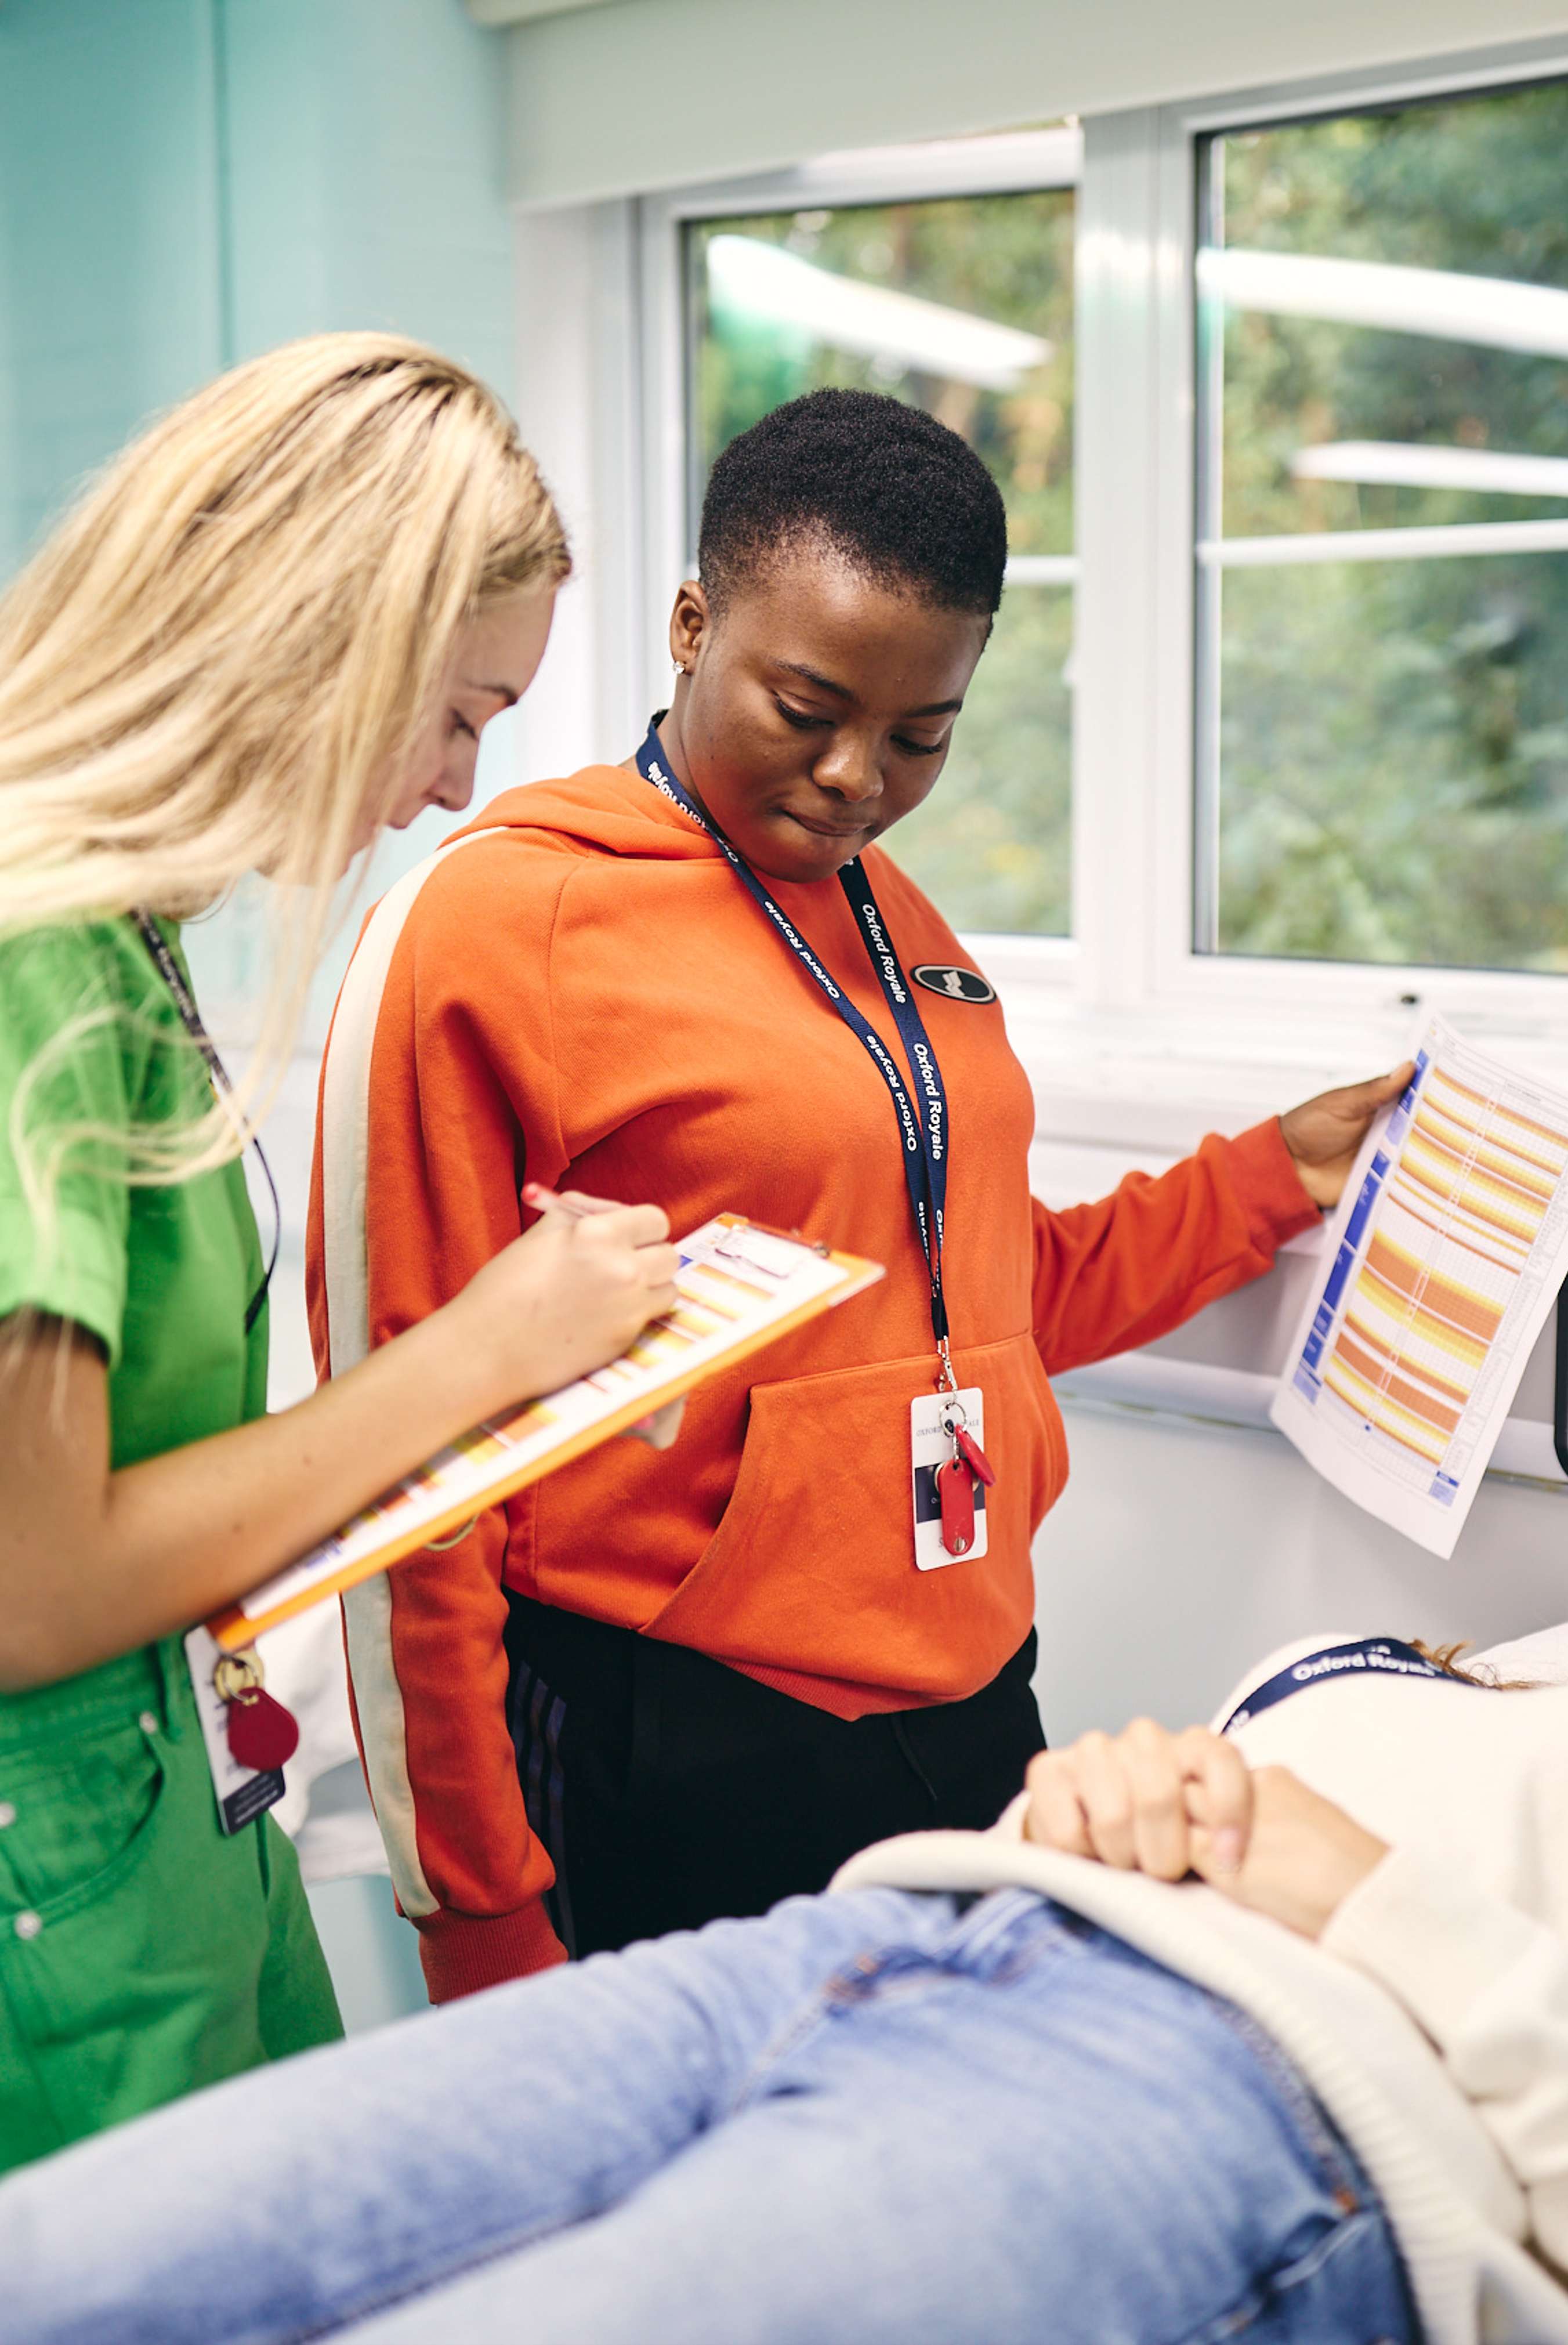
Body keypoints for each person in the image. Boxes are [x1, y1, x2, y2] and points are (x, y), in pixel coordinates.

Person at [0, 1518, 1568, 2344]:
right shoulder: (1478, 1689)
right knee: (80, 2268)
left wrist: (1358, 1889)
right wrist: (1111, 1794)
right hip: (865, 1950)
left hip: (1214, 2105)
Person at [314, 385, 1412, 2003]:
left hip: (969, 1695)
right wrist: (474, 1906)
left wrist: (1277, 1177)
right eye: (806, 707)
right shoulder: (502, 919)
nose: (854, 778)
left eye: (920, 737)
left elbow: (980, 1293)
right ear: (693, 627)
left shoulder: (899, 921)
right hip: (669, 1726)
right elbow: (401, 1450)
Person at [0, 335, 682, 2173]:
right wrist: (479, 1353)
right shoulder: (32, 956)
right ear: (321, 641)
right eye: (457, 713)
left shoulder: (122, 934)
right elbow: (29, 1586)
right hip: (61, 1911)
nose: (458, 786)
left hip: (173, 1832)